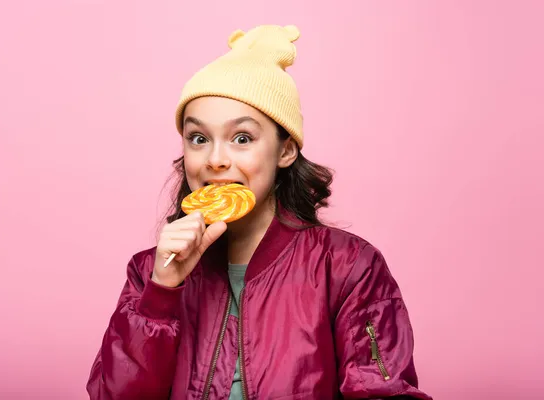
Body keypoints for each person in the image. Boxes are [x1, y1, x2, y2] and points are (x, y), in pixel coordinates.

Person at [86, 24, 432, 400]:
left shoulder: (348, 267)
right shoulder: (148, 273)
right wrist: (162, 292)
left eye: (242, 138)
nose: (216, 160)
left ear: (285, 151)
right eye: (198, 139)